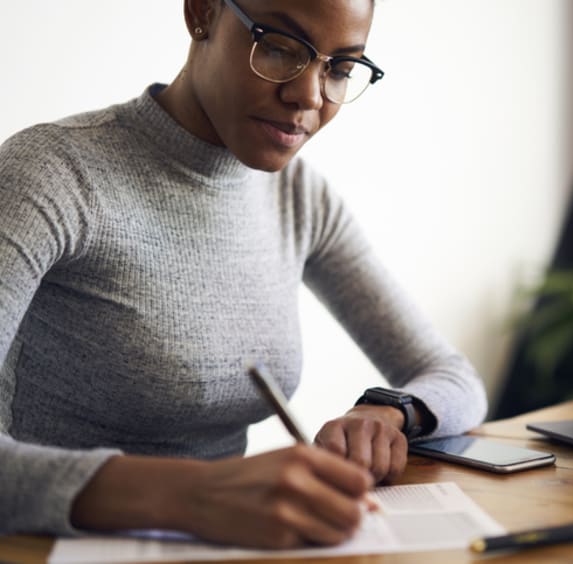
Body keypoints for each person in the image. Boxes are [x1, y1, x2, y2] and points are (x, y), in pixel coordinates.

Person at [0, 0, 487, 549]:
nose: (309, 95)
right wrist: (191, 497)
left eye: (341, 68)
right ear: (202, 13)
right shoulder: (51, 174)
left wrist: (392, 412)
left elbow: (454, 378)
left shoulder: (300, 198)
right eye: (280, 47)